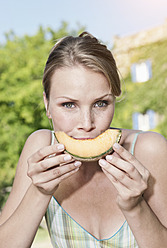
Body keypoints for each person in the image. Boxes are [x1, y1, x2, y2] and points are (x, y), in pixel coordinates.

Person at [0, 32, 167, 248]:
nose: (86, 124)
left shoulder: (149, 149)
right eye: (69, 105)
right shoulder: (41, 148)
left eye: (100, 104)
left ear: (114, 100)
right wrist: (39, 192)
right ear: (47, 104)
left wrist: (135, 207)